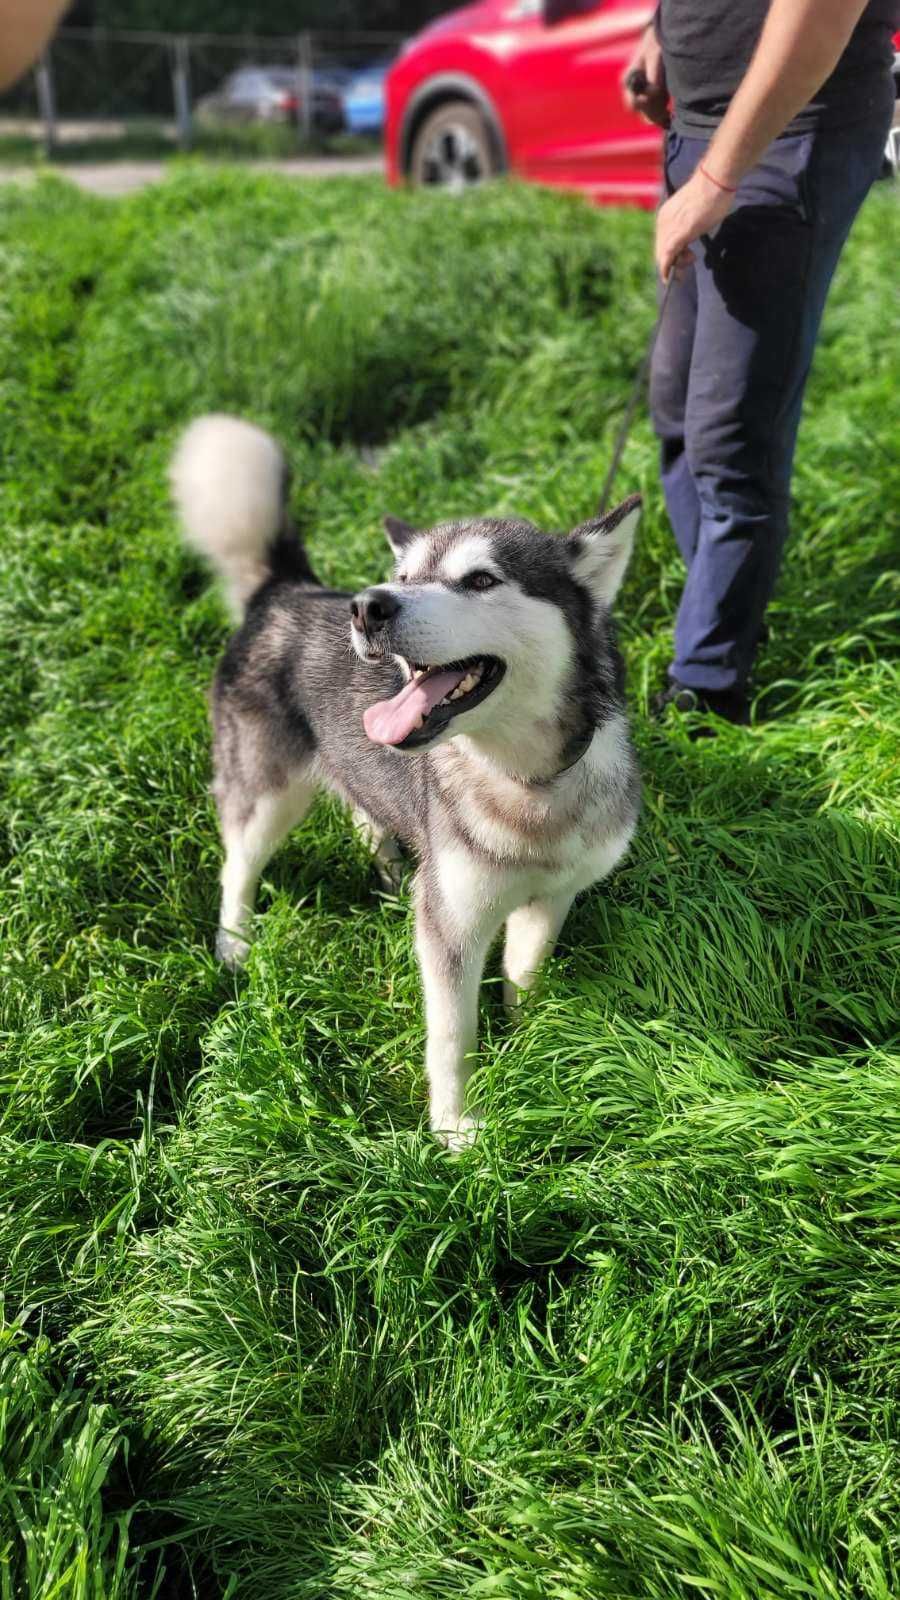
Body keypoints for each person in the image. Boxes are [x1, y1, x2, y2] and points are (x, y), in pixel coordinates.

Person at [623, 0, 898, 725]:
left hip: (786, 135)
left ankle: (707, 690)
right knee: (677, 414)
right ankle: (726, 608)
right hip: (703, 127)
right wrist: (665, 31)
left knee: (730, 438)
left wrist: (715, 183)